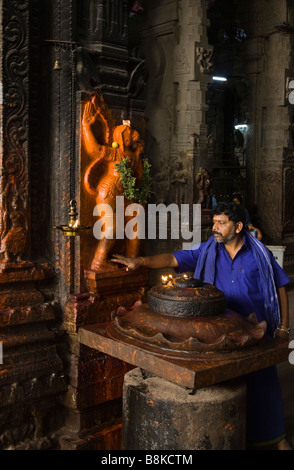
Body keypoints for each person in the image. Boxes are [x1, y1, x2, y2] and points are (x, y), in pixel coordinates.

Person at [112, 201, 292, 450]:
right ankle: (238, 435)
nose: (214, 227)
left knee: (264, 386)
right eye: (214, 222)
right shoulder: (208, 251)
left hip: (255, 332)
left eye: (221, 223)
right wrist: (140, 261)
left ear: (238, 226)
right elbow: (173, 258)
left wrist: (284, 326)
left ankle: (278, 439)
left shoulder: (259, 254)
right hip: (221, 332)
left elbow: (280, 286)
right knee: (229, 385)